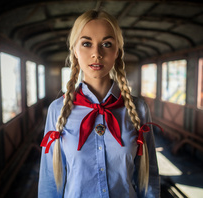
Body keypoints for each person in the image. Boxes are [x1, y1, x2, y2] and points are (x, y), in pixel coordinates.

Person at [38, 10, 160, 198]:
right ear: (75, 51)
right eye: (87, 44)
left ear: (117, 51)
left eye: (106, 44)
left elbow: (148, 178)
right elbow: (50, 182)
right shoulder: (58, 109)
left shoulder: (138, 108)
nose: (96, 53)